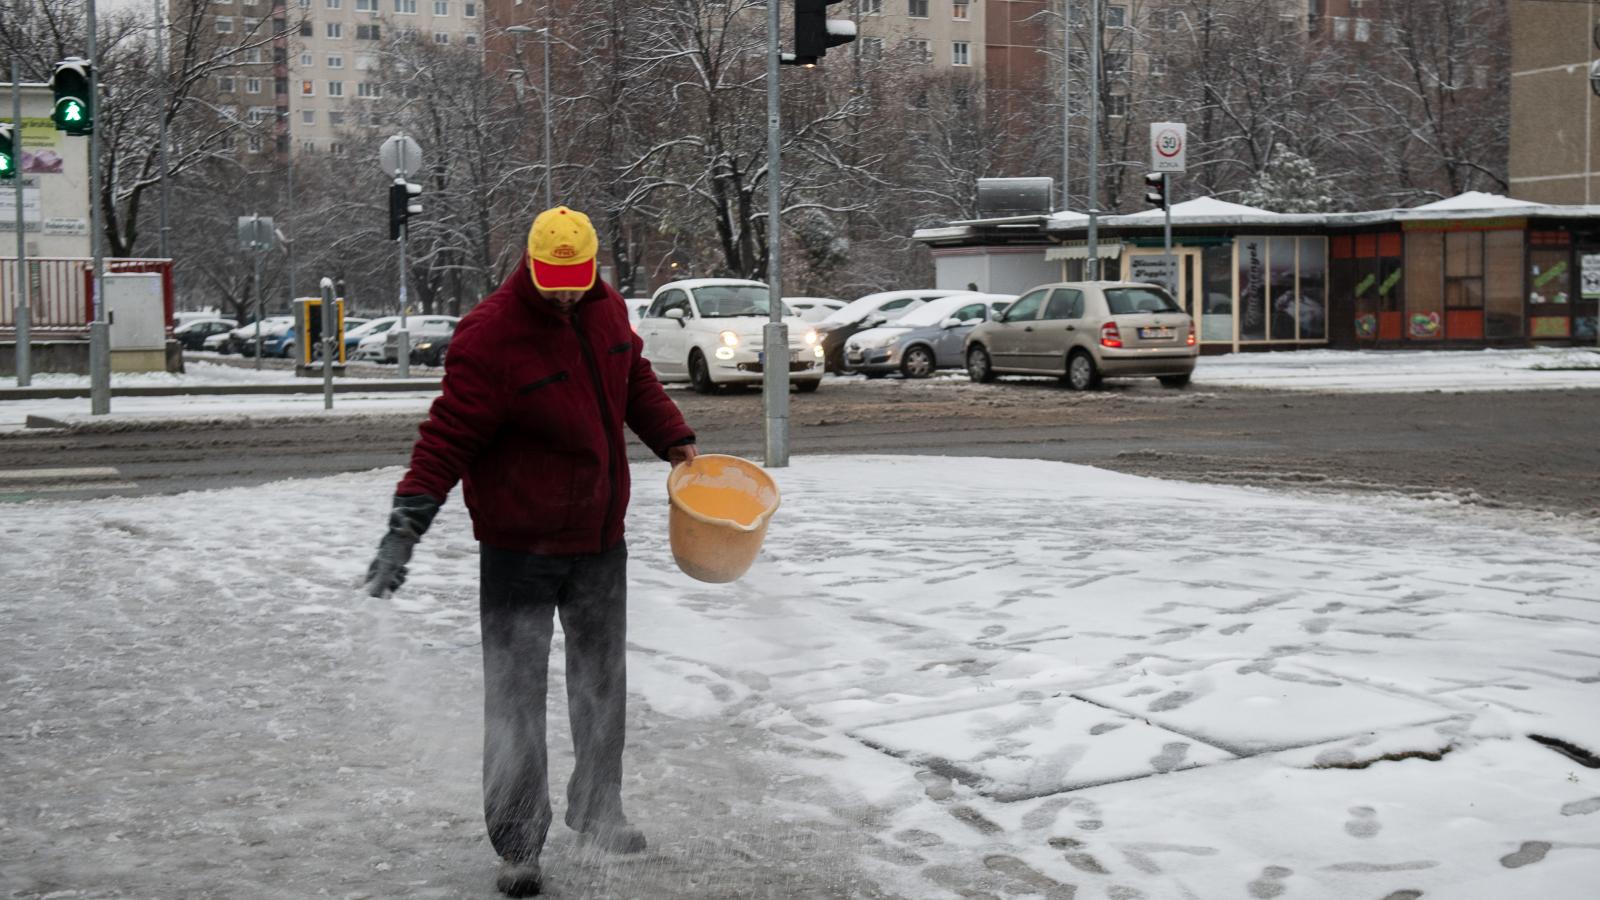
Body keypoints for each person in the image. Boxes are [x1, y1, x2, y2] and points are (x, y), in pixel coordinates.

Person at [363, 206, 698, 898]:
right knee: (515, 697)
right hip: (519, 549)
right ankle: (518, 845)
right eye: (556, 283)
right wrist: (406, 525)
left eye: (577, 281)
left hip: (600, 542)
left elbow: (632, 379)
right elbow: (446, 438)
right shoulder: (491, 337)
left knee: (602, 684)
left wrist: (675, 441)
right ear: (531, 266)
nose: (567, 295)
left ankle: (598, 808)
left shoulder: (605, 309)